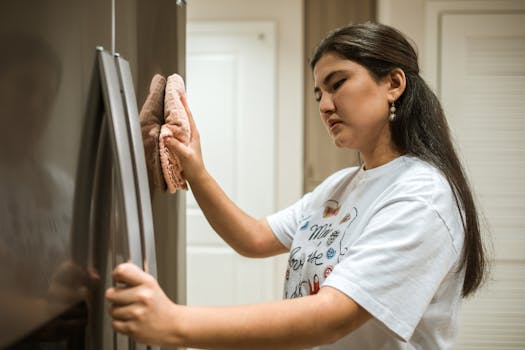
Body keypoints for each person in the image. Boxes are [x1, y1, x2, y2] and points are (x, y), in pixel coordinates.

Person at [105, 22, 488, 349]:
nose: (324, 105)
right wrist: (196, 169)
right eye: (319, 93)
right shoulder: (342, 185)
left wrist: (174, 323)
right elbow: (253, 238)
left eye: (337, 84)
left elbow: (334, 314)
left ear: (394, 83)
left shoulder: (423, 196)